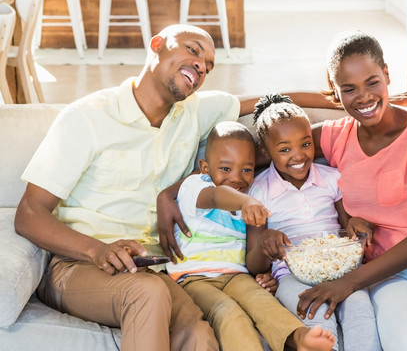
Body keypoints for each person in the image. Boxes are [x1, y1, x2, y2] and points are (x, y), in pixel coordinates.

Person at [13, 24, 251, 351]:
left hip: (153, 268)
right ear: (156, 45)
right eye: (193, 50)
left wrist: (338, 100)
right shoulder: (87, 117)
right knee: (147, 293)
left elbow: (264, 106)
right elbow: (28, 214)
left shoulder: (194, 113)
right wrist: (98, 250)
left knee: (198, 334)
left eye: (208, 66)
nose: (201, 66)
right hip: (79, 266)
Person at [290, 31, 407, 351]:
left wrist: (347, 283)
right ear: (334, 93)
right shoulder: (335, 136)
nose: (363, 97)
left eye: (373, 82)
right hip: (390, 276)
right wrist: (179, 189)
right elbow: (268, 143)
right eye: (348, 89)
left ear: (388, 75)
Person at [167, 120, 336, 351]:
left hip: (237, 276)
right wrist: (246, 201)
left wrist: (266, 258)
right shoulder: (195, 186)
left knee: (263, 303)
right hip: (193, 278)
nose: (237, 178)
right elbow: (217, 196)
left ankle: (298, 339)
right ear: (205, 168)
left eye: (246, 169)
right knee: (229, 314)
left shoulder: (252, 196)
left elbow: (253, 256)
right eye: (225, 169)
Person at [245, 94, 382, 351]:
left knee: (360, 311)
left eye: (305, 144)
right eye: (284, 149)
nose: (298, 156)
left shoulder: (332, 178)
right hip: (291, 275)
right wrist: (265, 243)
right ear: (265, 151)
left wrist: (356, 224)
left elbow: (347, 226)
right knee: (316, 318)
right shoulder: (259, 193)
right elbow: (252, 264)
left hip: (341, 269)